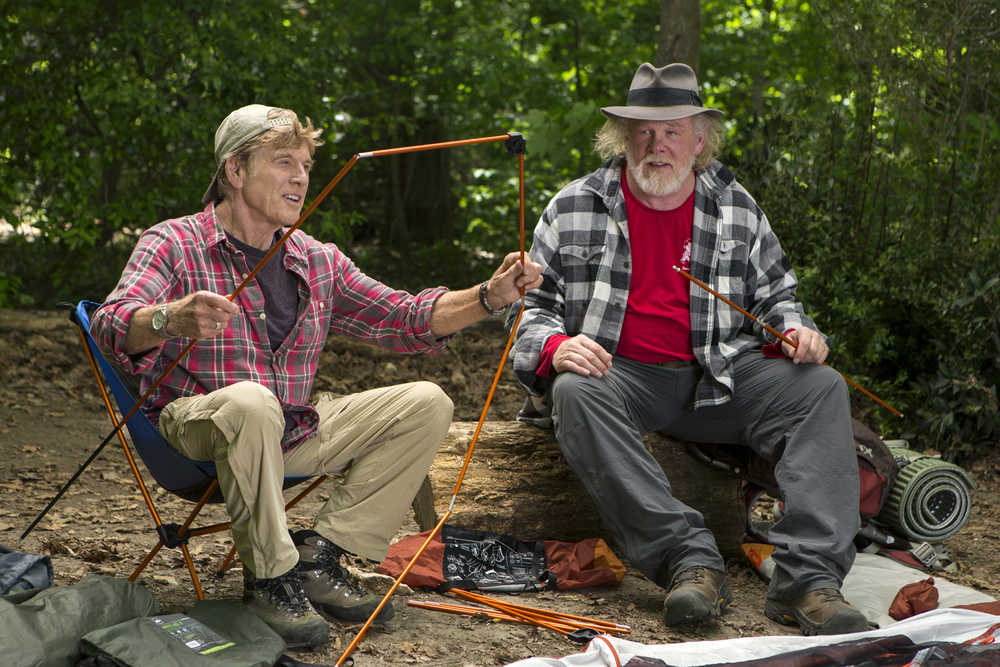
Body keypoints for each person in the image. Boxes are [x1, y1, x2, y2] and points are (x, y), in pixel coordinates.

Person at [91, 104, 542, 648]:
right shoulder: (173, 242)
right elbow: (110, 326)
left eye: (305, 164)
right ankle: (269, 579)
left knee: (426, 401)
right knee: (252, 402)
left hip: (290, 431)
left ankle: (318, 557)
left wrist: (490, 296)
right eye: (284, 162)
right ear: (235, 171)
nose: (301, 176)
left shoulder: (316, 258)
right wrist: (169, 317)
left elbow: (404, 319)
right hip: (198, 431)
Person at [508, 63, 870, 636]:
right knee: (573, 389)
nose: (658, 145)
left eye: (673, 130)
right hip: (619, 375)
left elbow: (779, 296)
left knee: (822, 387)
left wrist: (797, 331)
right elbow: (527, 310)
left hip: (721, 374)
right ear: (622, 137)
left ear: (699, 139)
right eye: (644, 132)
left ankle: (809, 581)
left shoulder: (736, 207)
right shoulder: (574, 204)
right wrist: (554, 345)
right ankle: (690, 561)